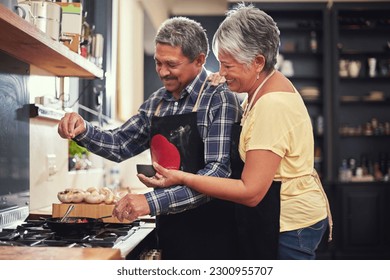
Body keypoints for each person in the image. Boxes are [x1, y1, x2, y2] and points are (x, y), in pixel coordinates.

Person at [139, 3, 333, 260]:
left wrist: (183, 178)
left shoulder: (271, 105)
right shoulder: (260, 89)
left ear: (257, 62)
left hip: (290, 225)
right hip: (279, 217)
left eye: (227, 65)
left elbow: (250, 192)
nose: (221, 73)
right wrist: (227, 79)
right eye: (220, 64)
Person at [57, 16, 242, 260]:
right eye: (158, 63)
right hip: (169, 229)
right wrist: (83, 130)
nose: (163, 72)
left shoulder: (218, 98)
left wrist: (151, 202)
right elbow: (121, 143)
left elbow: (217, 174)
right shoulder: (157, 102)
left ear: (199, 60)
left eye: (171, 64)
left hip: (213, 232)